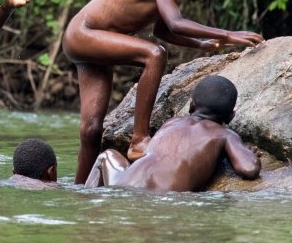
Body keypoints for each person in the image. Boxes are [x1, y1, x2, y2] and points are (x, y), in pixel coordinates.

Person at [62, 0, 263, 183]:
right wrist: (228, 34)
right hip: (83, 34)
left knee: (92, 129)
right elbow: (175, 23)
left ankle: (79, 189)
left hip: (90, 41)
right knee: (154, 54)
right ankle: (139, 139)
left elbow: (162, 30)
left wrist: (200, 44)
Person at [84, 75, 261, 192]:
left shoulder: (171, 123)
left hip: (124, 183)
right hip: (164, 195)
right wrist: (247, 152)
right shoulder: (224, 134)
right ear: (230, 117)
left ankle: (86, 199)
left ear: (192, 105)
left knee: (106, 155)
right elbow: (249, 168)